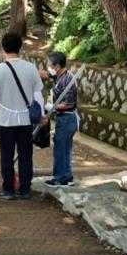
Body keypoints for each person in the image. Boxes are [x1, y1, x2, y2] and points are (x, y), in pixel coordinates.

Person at [0, 32, 44, 200]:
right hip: (26, 120)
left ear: (3, 48)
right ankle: (25, 189)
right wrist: (42, 115)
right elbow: (38, 95)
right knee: (26, 156)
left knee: (6, 155)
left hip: (6, 120)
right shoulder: (31, 68)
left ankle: (9, 189)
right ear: (20, 47)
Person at [41, 52, 79, 186]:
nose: (48, 67)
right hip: (64, 118)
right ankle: (67, 176)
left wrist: (52, 107)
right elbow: (48, 75)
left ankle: (60, 178)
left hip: (67, 118)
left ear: (57, 66)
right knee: (65, 148)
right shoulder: (60, 76)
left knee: (61, 149)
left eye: (50, 65)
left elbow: (69, 104)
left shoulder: (67, 80)